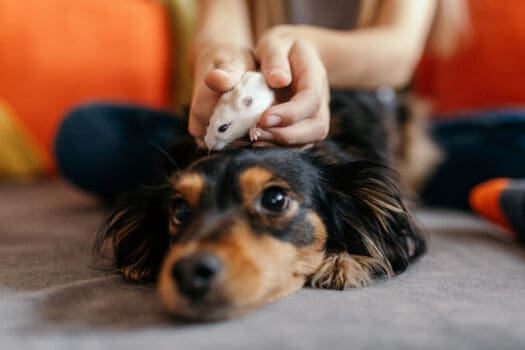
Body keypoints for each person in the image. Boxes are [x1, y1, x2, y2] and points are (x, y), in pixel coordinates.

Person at [55, 0, 439, 198]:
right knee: (87, 136)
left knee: (486, 150)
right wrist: (221, 62)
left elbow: (397, 54)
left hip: (384, 132)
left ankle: (411, 175)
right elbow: (219, 34)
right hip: (255, 131)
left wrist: (305, 51)